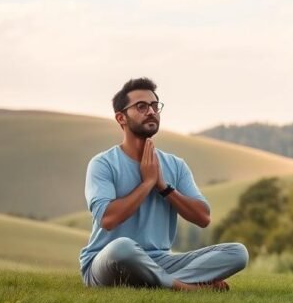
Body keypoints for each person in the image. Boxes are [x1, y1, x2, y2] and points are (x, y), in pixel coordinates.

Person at [80, 77, 248, 290]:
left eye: (154, 105)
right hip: (107, 262)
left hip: (161, 261)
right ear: (121, 118)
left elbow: (203, 217)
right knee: (122, 248)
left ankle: (155, 281)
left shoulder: (175, 165)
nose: (151, 111)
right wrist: (147, 183)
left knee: (237, 253)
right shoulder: (103, 163)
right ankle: (183, 286)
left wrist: (163, 187)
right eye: (141, 106)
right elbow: (108, 219)